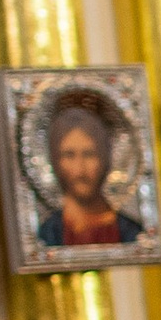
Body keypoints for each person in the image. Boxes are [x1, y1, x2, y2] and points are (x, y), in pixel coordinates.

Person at [33, 102, 139, 252]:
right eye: (69, 155)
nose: (80, 169)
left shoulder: (131, 233)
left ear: (104, 158)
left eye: (89, 154)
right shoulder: (47, 235)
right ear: (56, 161)